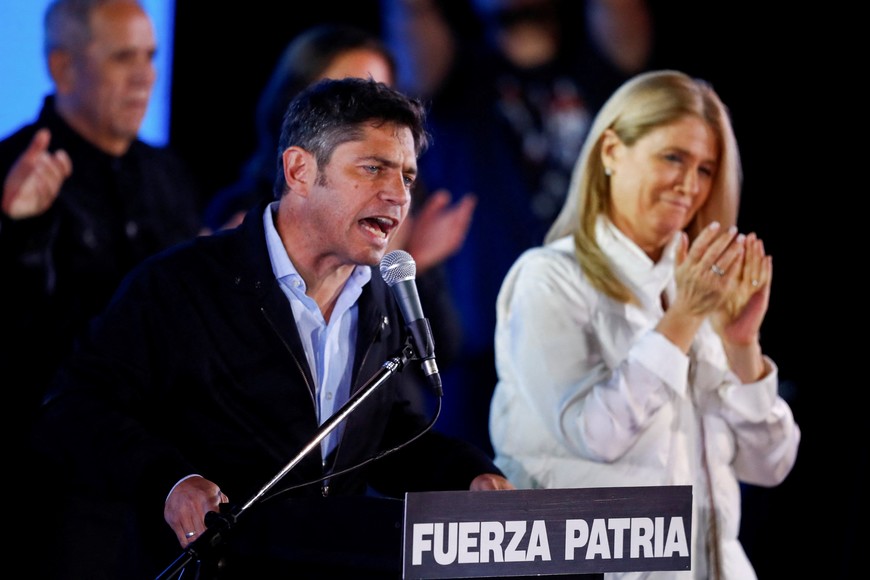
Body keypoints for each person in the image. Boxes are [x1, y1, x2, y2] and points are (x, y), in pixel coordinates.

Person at [32, 77, 513, 580]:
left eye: (408, 177)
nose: (397, 194)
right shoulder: (182, 285)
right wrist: (170, 483)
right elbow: (74, 408)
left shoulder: (380, 299)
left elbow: (376, 433)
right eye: (373, 168)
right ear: (299, 170)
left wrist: (467, 473)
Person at [488, 70, 801, 579]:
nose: (690, 185)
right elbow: (596, 434)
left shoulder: (699, 287)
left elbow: (770, 465)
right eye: (673, 157)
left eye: (705, 169)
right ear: (611, 151)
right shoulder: (548, 278)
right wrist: (682, 320)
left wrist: (742, 345)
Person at [380, 0, 653, 454]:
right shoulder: (453, 75)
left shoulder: (597, 63)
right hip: (478, 351)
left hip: (599, 343)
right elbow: (409, 14)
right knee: (475, 490)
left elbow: (626, 29)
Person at [202, 23, 475, 393]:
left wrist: (414, 269)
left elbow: (442, 355)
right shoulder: (245, 212)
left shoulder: (402, 204)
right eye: (346, 96)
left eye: (379, 93)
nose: (368, 113)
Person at [0, 0, 204, 426]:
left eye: (150, 56)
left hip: (162, 430)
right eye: (123, 57)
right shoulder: (12, 170)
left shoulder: (167, 171)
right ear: (63, 68)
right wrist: (23, 231)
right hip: (51, 434)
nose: (145, 76)